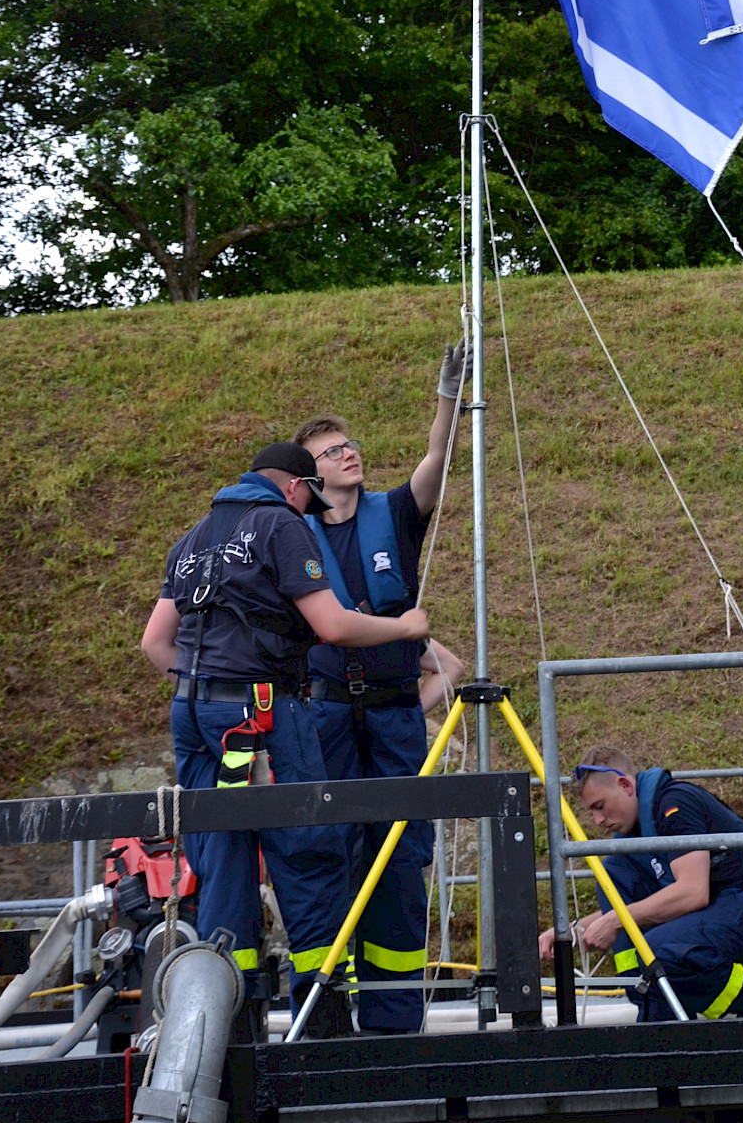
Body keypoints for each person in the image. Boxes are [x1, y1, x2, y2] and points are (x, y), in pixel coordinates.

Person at [141, 442, 429, 1038]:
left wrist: (208, 683)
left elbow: (155, 644)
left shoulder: (193, 538)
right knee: (309, 856)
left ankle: (229, 1029)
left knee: (222, 858)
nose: (308, 509)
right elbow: (332, 625)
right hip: (264, 715)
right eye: (308, 499)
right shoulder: (280, 524)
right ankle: (318, 1024)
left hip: (193, 715)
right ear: (295, 486)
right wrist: (403, 627)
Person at [291, 341, 467, 1034]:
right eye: (332, 451)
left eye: (350, 445)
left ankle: (394, 1019)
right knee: (327, 852)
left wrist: (448, 393)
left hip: (393, 717)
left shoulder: (393, 514)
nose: (348, 455)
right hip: (326, 717)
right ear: (309, 473)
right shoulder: (291, 535)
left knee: (400, 857)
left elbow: (438, 463)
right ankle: (324, 1014)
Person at [538, 748, 743, 1021]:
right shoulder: (636, 837)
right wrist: (571, 930)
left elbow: (692, 892)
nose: (597, 821)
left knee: (660, 950)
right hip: (726, 912)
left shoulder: (673, 804)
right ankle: (658, 1021)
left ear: (625, 785)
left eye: (599, 806)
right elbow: (640, 906)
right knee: (615, 872)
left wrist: (616, 920)